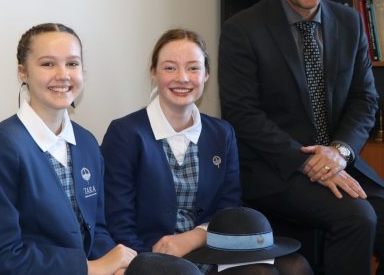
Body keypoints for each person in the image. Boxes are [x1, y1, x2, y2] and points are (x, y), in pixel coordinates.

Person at [218, 0, 384, 275]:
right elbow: (243, 115)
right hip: (277, 168)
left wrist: (340, 152)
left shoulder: (348, 21)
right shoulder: (242, 30)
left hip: (338, 159)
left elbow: (365, 99)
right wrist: (306, 162)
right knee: (357, 219)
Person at [101, 28, 312, 275]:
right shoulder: (125, 133)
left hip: (211, 250)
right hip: (152, 257)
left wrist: (194, 237)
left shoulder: (222, 133)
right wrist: (146, 264)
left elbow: (228, 209)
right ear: (154, 73)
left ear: (206, 75)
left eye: (193, 68)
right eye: (170, 68)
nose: (183, 78)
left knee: (296, 267)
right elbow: (118, 219)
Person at [0, 23, 137, 275]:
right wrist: (93, 268)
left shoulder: (87, 143)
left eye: (72, 64)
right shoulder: (0, 144)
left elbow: (98, 230)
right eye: (48, 64)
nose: (63, 75)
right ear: (23, 72)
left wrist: (117, 267)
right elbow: (4, 253)